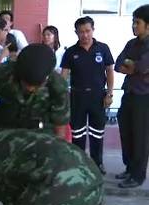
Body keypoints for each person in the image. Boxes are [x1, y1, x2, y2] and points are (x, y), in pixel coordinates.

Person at [0, 44, 70, 139]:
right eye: (26, 83)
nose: (30, 89)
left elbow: (60, 123)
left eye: (36, 86)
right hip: (3, 129)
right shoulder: (1, 74)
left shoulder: (58, 86)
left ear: (46, 78)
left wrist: (56, 148)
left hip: (41, 133)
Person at [61, 16, 114, 175]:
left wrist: (110, 94)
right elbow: (63, 76)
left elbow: (110, 72)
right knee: (78, 133)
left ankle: (97, 163)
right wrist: (62, 97)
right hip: (77, 97)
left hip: (98, 97)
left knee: (97, 132)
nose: (85, 35)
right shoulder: (71, 52)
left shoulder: (103, 48)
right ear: (76, 32)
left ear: (93, 30)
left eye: (87, 31)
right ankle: (79, 164)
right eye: (81, 32)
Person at [114, 4, 149, 189]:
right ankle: (129, 169)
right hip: (128, 94)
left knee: (140, 137)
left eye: (137, 23)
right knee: (126, 133)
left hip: (144, 98)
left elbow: (140, 67)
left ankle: (138, 175)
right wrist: (132, 66)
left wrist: (133, 67)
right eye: (133, 22)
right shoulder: (131, 43)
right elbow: (119, 64)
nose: (134, 26)